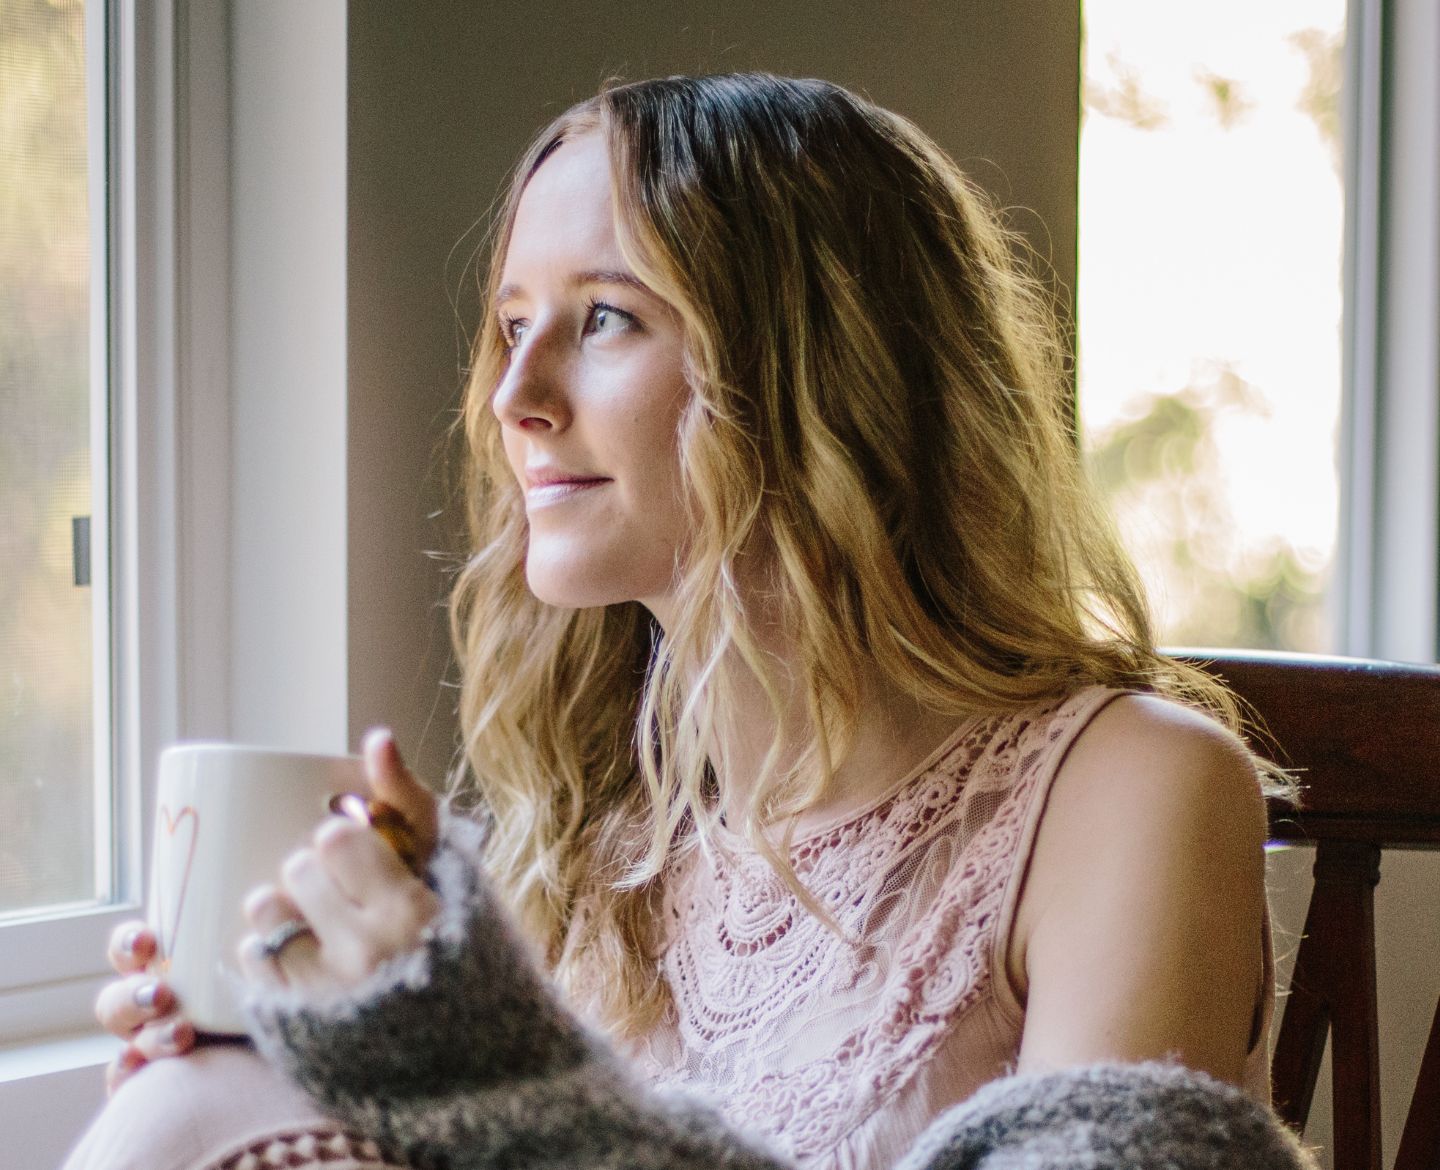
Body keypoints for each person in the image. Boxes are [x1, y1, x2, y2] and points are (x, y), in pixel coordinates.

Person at [67, 73, 1307, 1170]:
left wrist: (479, 1071)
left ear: (822, 366)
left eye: (605, 316)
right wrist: (306, 1058)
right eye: (509, 327)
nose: (513, 396)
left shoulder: (1133, 789)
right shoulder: (583, 850)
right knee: (196, 1099)